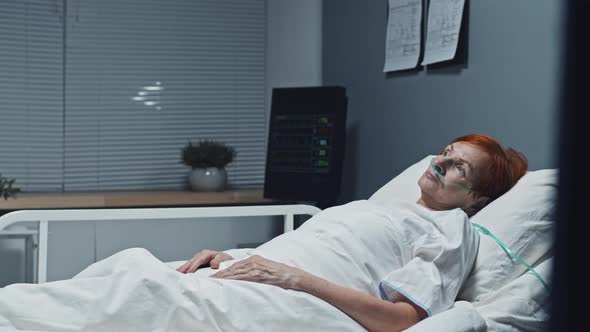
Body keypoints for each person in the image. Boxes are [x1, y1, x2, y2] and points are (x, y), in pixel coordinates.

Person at [176, 133, 528, 332]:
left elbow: (403, 320)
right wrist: (231, 257)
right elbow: (311, 247)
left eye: (458, 168)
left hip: (291, 300)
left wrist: (293, 278)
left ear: (476, 201)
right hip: (254, 279)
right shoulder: (384, 206)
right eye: (446, 152)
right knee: (133, 275)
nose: (438, 163)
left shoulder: (452, 229)